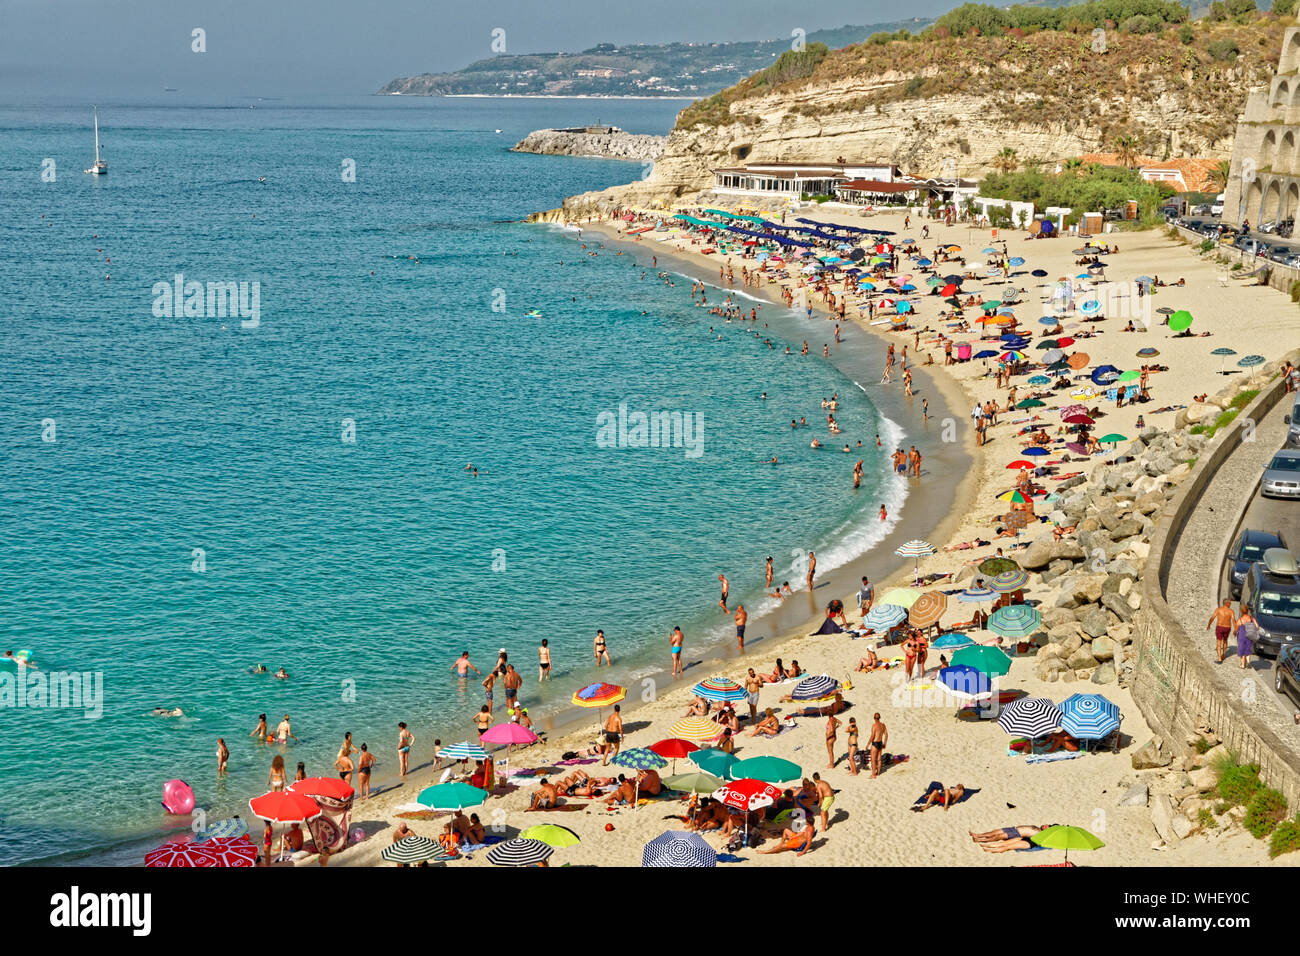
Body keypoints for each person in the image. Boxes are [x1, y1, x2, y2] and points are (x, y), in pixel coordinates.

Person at [1207, 598, 1234, 665]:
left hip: (1219, 627)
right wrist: (1236, 629)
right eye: (1230, 603)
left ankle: (1219, 658)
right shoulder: (1231, 611)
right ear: (1226, 603)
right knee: (1225, 641)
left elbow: (1212, 617)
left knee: (1219, 641)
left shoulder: (1218, 610)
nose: (1230, 604)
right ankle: (1223, 655)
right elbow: (1234, 620)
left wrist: (1209, 625)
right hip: (1227, 627)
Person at [1235, 604, 1259, 669]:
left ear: (1241, 611)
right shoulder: (1251, 618)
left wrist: (1234, 633)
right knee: (1248, 648)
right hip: (1249, 635)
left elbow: (1236, 629)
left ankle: (1242, 665)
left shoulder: (1240, 620)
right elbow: (1257, 626)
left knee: (1242, 649)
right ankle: (1248, 662)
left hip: (1242, 636)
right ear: (1248, 610)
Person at [869, 713, 888, 778]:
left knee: (873, 759)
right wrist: (885, 743)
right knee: (879, 759)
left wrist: (868, 744)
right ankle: (878, 773)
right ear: (879, 718)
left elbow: (872, 736)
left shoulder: (874, 725)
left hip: (875, 743)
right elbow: (886, 735)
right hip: (880, 743)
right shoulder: (883, 725)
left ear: (874, 718)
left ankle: (873, 774)